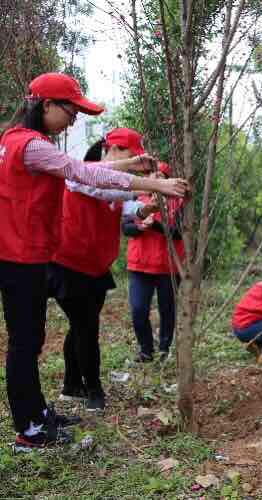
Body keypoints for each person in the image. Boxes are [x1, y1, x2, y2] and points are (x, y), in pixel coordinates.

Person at [0, 72, 188, 448]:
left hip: (25, 253)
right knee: (25, 341)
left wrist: (133, 165)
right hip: (22, 256)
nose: (74, 119)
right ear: (46, 105)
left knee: (32, 338)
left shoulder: (14, 141)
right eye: (71, 110)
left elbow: (82, 172)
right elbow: (82, 173)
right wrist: (157, 184)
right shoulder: (32, 146)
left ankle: (36, 413)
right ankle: (30, 428)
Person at [48, 128, 159, 412]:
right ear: (114, 150)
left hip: (94, 267)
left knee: (81, 325)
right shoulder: (81, 174)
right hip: (69, 265)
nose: (134, 161)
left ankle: (72, 385)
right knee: (87, 327)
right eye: (132, 156)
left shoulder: (113, 185)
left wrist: (145, 209)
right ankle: (94, 390)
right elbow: (107, 186)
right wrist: (150, 185)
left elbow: (125, 208)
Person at [122, 162, 185, 363]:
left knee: (167, 310)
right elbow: (125, 228)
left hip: (168, 268)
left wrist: (156, 225)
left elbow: (179, 233)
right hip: (139, 266)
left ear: (167, 179)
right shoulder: (136, 199)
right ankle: (146, 351)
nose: (154, 179)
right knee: (138, 310)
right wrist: (141, 227)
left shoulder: (178, 202)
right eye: (150, 175)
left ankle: (164, 349)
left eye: (159, 175)